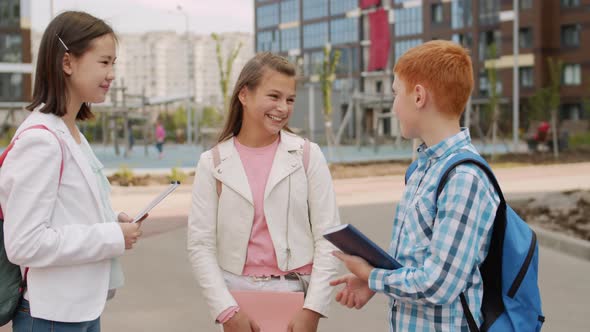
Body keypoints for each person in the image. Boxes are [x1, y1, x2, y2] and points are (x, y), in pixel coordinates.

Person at [330, 40, 501, 331]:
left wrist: (373, 276)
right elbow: (416, 264)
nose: (394, 107)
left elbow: (439, 284)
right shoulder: (424, 169)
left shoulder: (463, 179)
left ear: (419, 96)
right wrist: (376, 284)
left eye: (396, 93)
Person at [0, 11, 145, 332]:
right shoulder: (41, 140)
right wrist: (110, 237)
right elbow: (24, 243)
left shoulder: (71, 133)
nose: (111, 74)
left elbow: (68, 213)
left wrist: (112, 221)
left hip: (78, 308)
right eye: (104, 62)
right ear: (67, 63)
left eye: (114, 63)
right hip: (51, 315)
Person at [187, 52, 340, 332]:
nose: (283, 107)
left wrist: (313, 309)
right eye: (274, 96)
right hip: (236, 301)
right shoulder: (213, 163)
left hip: (296, 298)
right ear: (244, 95)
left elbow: (328, 238)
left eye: (290, 99)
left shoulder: (308, 155)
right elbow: (200, 245)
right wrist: (227, 311)